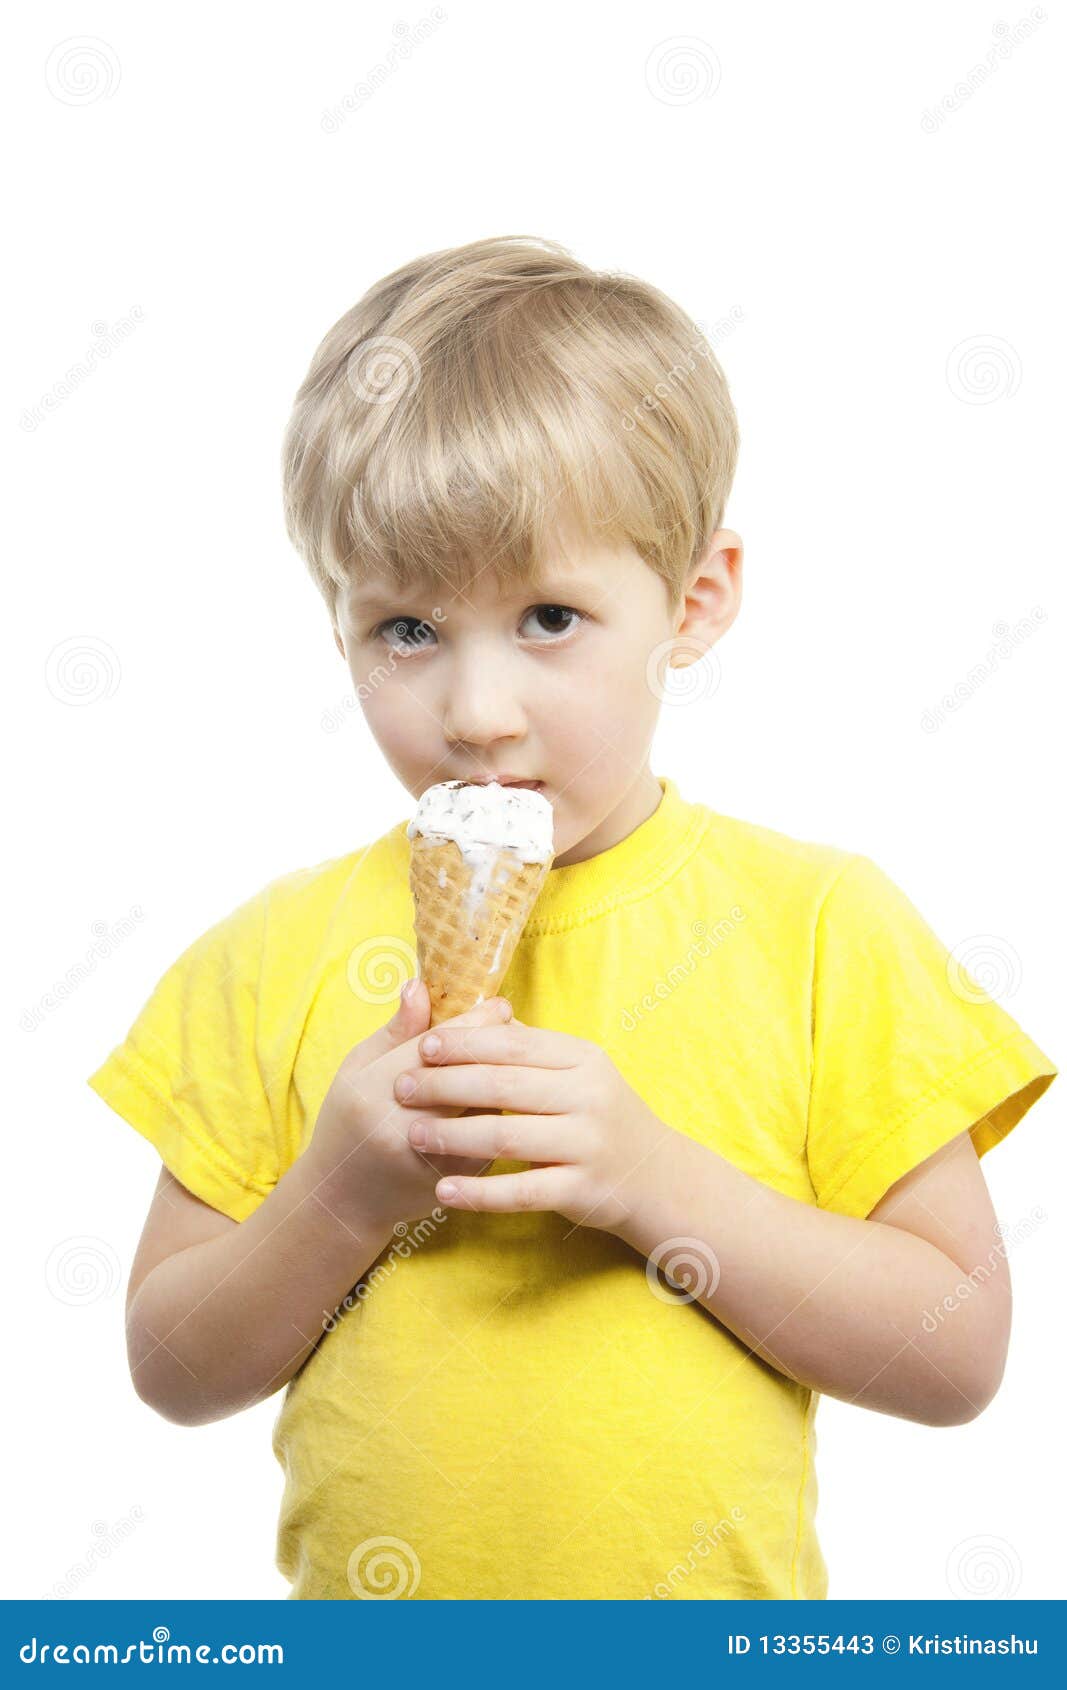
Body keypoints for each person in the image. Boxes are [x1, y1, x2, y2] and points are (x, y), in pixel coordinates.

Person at [87, 235, 1057, 1600]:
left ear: (694, 602)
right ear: (339, 627)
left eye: (550, 615)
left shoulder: (821, 926)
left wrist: (652, 1179)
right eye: (407, 629)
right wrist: (340, 1192)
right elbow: (171, 1369)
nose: (477, 712)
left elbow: (957, 1352)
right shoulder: (264, 957)